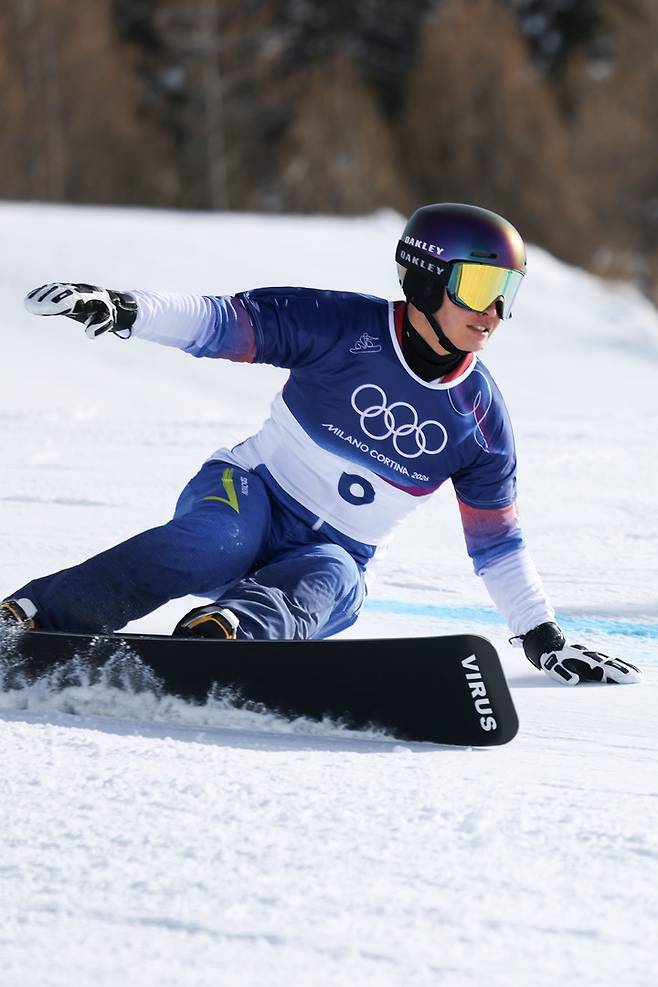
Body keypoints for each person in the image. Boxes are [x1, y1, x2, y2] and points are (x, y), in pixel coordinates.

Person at [1, 203, 641, 686]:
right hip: (247, 492)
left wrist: (542, 637)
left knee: (334, 580)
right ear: (425, 277)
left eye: (509, 293)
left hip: (337, 551)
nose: (494, 312)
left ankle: (227, 638)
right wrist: (125, 309)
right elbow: (217, 321)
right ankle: (32, 619)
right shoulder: (339, 326)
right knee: (215, 542)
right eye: (479, 288)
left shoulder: (480, 420)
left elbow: (498, 547)